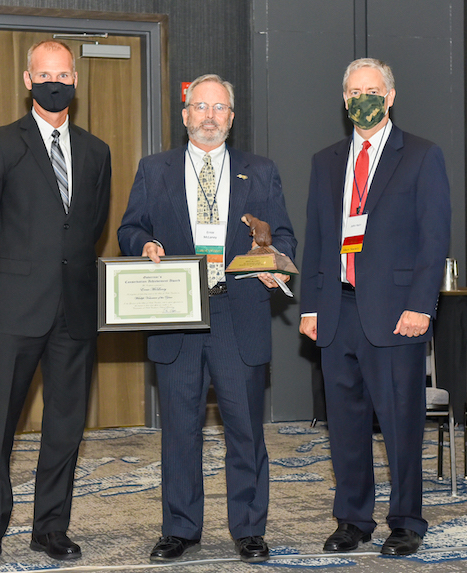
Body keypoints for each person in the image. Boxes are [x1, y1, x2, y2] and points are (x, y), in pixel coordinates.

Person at [118, 74, 296, 563]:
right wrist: (144, 246)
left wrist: (273, 262)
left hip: (239, 315)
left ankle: (249, 529)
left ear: (232, 119)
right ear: (185, 115)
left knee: (245, 428)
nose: (210, 117)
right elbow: (129, 227)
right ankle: (180, 529)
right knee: (179, 427)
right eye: (201, 107)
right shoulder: (154, 169)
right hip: (177, 313)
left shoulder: (260, 171)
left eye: (220, 108)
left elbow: (284, 236)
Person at [0, 40, 111, 569]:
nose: (55, 81)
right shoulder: (1, 143)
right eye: (44, 74)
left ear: (75, 79)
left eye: (64, 73)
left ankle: (51, 528)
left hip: (75, 311)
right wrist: (18, 275)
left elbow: (90, 229)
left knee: (66, 427)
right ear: (28, 80)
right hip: (15, 309)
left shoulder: (96, 151)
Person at [299, 58, 450, 557]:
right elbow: (318, 239)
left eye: (373, 89)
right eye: (354, 90)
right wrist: (311, 305)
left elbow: (434, 239)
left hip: (395, 314)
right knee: (344, 426)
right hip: (337, 312)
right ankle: (353, 520)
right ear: (345, 101)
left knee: (402, 423)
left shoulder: (422, 156)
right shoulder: (326, 160)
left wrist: (421, 306)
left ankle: (406, 521)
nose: (363, 97)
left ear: (389, 96)